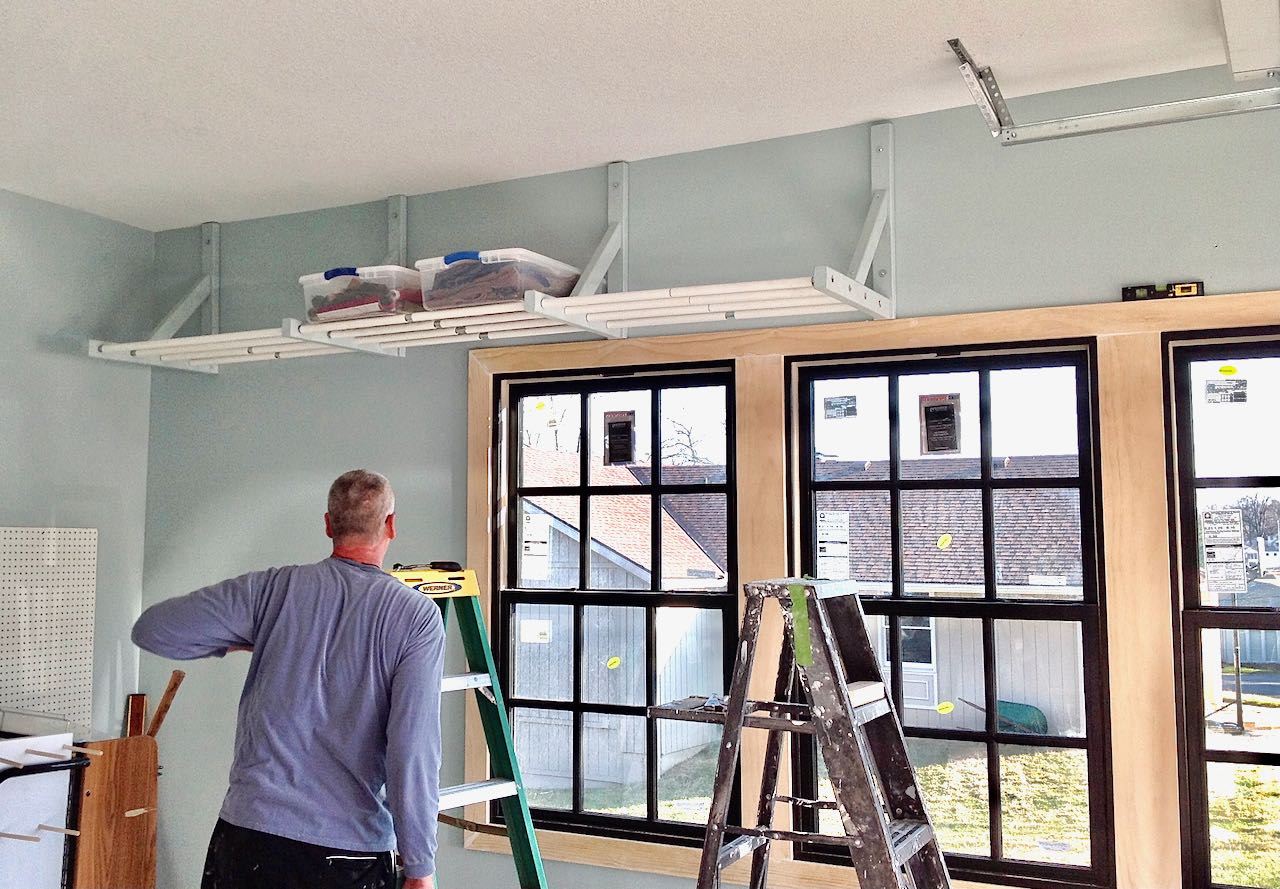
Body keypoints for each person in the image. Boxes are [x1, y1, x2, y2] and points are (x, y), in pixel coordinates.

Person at [132, 470, 444, 889]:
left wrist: (238, 640)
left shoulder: (272, 590)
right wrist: (420, 866)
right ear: (390, 525)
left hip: (246, 841)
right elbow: (412, 749)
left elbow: (153, 628)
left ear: (329, 525)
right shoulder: (415, 617)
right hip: (344, 857)